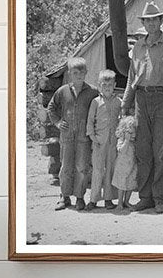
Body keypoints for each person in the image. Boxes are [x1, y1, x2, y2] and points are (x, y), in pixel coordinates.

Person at [120, 0, 163, 213]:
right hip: (141, 100)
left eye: (154, 20)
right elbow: (132, 77)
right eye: (147, 21)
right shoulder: (138, 46)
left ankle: (160, 199)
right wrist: (125, 105)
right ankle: (145, 196)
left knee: (161, 151)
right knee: (143, 150)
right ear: (144, 23)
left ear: (161, 21)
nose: (151, 24)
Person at [47, 57, 97, 211]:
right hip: (67, 136)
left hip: (84, 137)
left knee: (82, 167)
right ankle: (64, 196)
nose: (79, 75)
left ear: (86, 72)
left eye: (82, 72)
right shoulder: (63, 91)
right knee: (66, 167)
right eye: (75, 73)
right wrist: (56, 122)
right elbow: (51, 107)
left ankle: (80, 197)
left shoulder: (92, 92)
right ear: (69, 74)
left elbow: (98, 110)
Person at [86, 69, 122, 209]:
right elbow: (90, 121)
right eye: (104, 85)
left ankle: (108, 199)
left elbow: (122, 119)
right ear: (99, 85)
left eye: (110, 85)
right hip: (99, 142)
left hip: (113, 142)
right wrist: (93, 137)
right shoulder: (96, 102)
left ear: (114, 85)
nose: (107, 88)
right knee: (98, 170)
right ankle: (93, 199)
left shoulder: (118, 102)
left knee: (110, 170)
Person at [112, 114, 138, 212]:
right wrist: (126, 140)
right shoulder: (121, 140)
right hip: (122, 167)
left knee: (131, 184)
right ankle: (119, 203)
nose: (133, 133)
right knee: (121, 185)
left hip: (132, 166)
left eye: (134, 130)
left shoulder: (134, 142)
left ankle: (126, 201)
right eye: (130, 131)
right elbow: (121, 151)